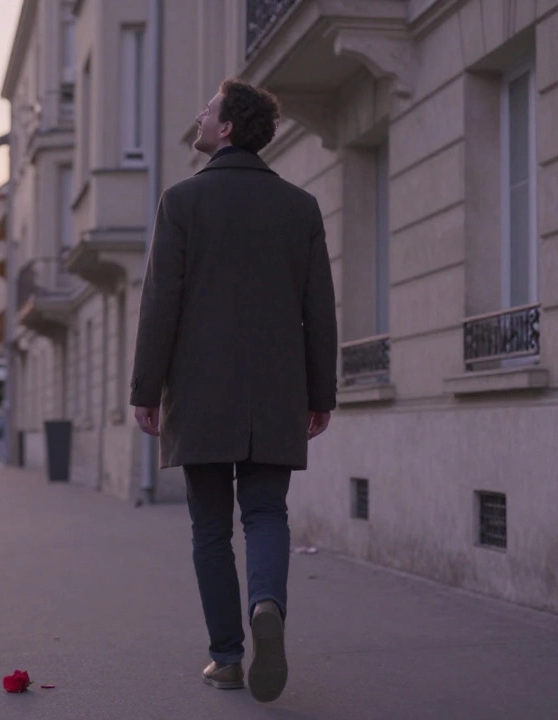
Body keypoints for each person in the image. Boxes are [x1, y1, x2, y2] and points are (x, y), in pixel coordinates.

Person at [129, 78, 338, 704]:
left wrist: (146, 388)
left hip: (200, 392)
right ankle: (266, 604)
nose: (199, 115)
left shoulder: (181, 201)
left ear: (226, 128)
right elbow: (319, 310)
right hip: (277, 391)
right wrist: (320, 393)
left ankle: (226, 658)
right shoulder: (300, 207)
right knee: (267, 513)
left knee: (210, 528)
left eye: (209, 109)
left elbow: (160, 304)